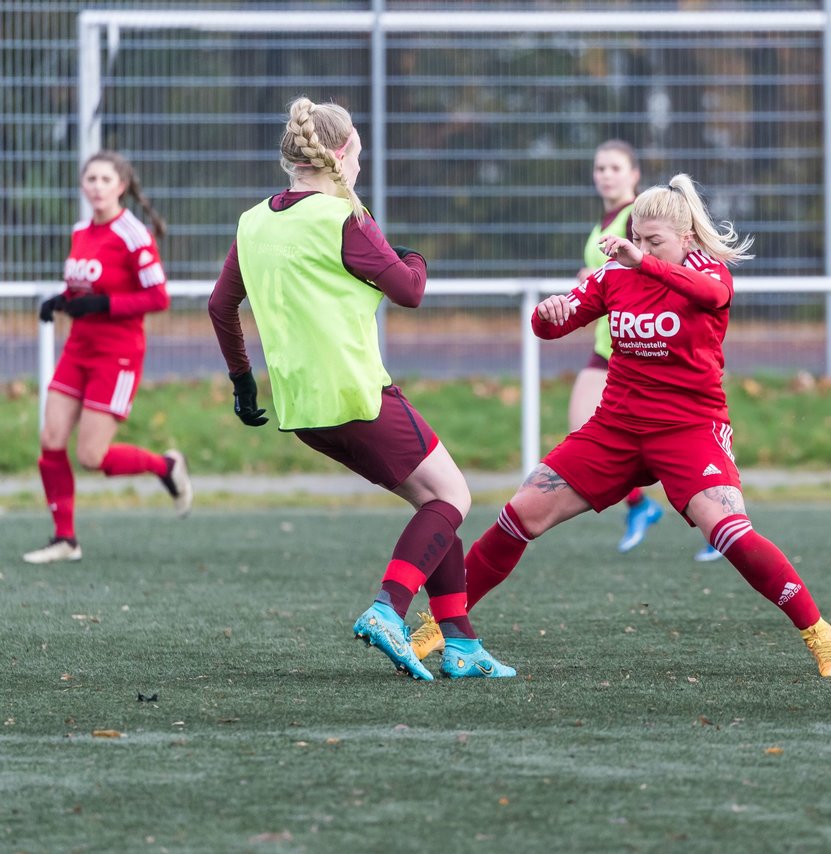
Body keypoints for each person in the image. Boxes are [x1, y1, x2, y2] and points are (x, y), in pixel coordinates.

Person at [463, 174, 831, 678]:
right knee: (521, 513)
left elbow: (710, 296)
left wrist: (641, 260)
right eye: (636, 237)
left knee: (730, 532)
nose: (639, 248)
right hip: (617, 428)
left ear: (685, 239)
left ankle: (820, 634)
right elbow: (551, 326)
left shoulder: (708, 272)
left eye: (654, 241)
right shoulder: (615, 275)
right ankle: (441, 622)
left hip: (690, 429)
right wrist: (546, 314)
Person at [207, 96, 513, 682]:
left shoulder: (253, 221)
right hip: (356, 392)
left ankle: (462, 644)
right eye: (359, 157)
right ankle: (388, 609)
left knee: (435, 504)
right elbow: (410, 290)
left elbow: (221, 306)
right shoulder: (341, 217)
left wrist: (244, 382)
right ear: (341, 154)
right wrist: (414, 256)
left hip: (303, 408)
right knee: (453, 498)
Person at [24, 151, 193, 565]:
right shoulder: (81, 231)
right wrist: (60, 301)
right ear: (83, 186)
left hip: (117, 356)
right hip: (78, 350)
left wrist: (102, 305)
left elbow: (158, 297)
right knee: (50, 441)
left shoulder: (133, 234)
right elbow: (83, 290)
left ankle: (165, 467)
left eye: (105, 179)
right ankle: (65, 539)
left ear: (121, 186)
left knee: (91, 457)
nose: (97, 186)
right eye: (91, 179)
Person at [573, 140, 721, 562]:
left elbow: (647, 270)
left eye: (615, 167)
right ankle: (642, 505)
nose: (605, 174)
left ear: (634, 175)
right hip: (614, 340)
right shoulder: (607, 221)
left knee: (673, 442)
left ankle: (708, 516)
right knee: (588, 424)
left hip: (645, 345)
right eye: (600, 167)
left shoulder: (639, 217)